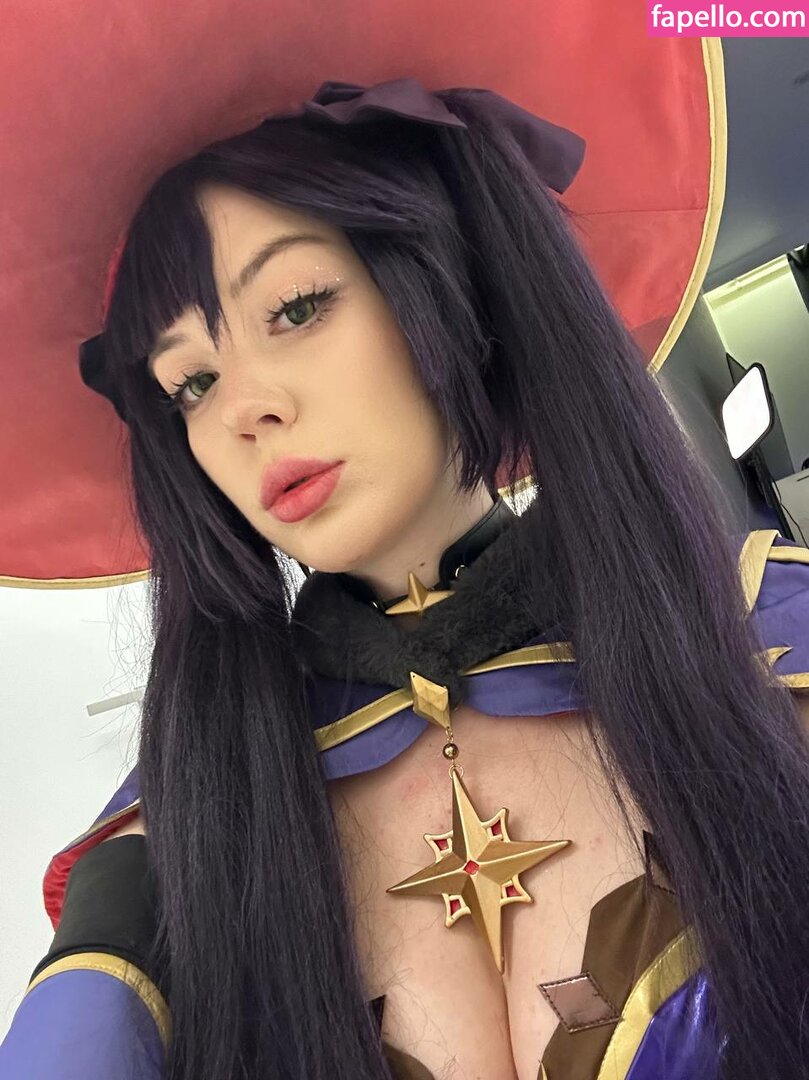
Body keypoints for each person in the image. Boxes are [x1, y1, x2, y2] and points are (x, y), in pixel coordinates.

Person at [1, 21, 809, 1080]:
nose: (243, 408)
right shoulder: (189, 816)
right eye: (189, 382)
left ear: (444, 283)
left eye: (295, 307)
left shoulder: (770, 639)